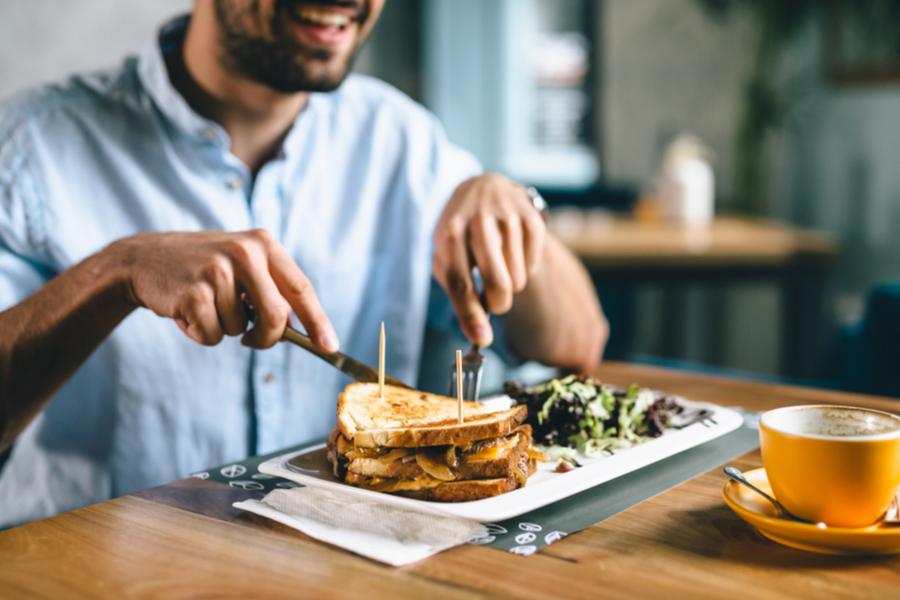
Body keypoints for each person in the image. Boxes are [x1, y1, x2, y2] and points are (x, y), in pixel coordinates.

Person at [0, 0, 606, 527]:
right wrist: (117, 273)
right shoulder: (30, 146)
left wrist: (515, 205)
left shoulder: (402, 141)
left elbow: (577, 340)